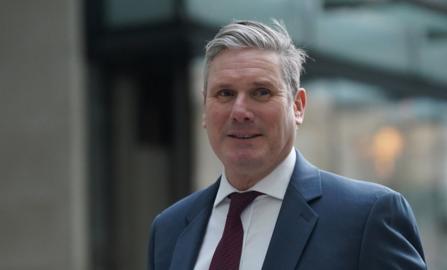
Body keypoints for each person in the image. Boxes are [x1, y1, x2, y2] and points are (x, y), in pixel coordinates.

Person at [148, 20, 427, 270]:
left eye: (261, 92)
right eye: (225, 93)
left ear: (298, 106)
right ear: (205, 110)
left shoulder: (368, 217)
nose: (240, 111)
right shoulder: (170, 229)